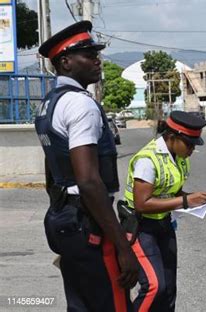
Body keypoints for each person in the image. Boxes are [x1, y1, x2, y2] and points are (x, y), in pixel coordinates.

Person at [34, 21, 139, 311]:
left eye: (97, 53)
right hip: (87, 219)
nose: (97, 60)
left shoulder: (49, 103)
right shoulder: (80, 104)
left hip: (66, 216)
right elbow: (89, 180)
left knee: (81, 305)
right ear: (65, 62)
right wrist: (122, 246)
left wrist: (63, 208)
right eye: (87, 54)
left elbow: (53, 171)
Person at [123, 111, 206, 311]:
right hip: (141, 227)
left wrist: (200, 200)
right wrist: (186, 200)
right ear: (172, 137)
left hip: (164, 225)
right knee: (154, 287)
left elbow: (172, 190)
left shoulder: (179, 157)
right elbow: (142, 203)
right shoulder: (148, 159)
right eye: (189, 144)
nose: (192, 150)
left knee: (169, 289)